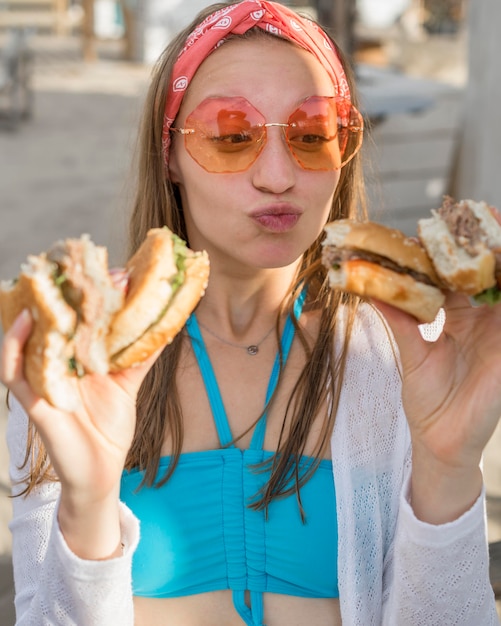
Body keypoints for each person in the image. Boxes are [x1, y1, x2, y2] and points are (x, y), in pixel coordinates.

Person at [1, 1, 500, 624]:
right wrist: (87, 500)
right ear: (170, 157)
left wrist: (448, 467)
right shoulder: (75, 359)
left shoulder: (404, 357)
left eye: (312, 133)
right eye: (232, 135)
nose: (277, 175)